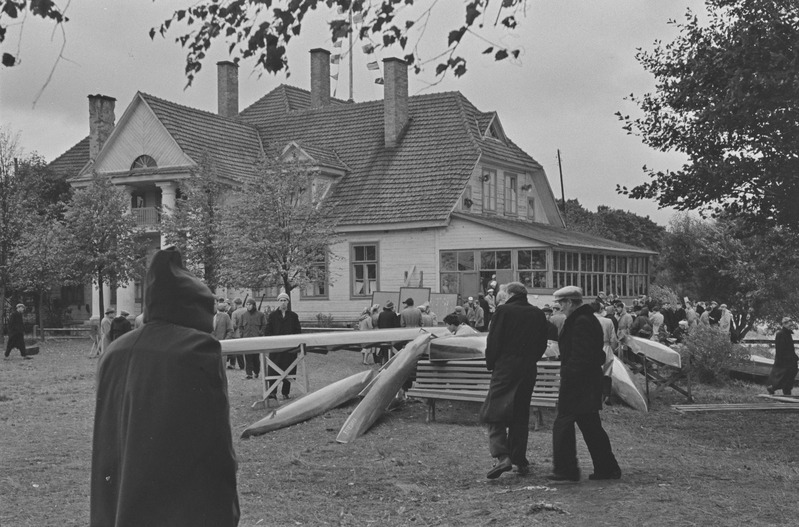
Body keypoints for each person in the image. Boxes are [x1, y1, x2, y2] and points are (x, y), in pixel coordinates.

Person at [90, 247, 239, 526]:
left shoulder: (113, 353)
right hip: (179, 508)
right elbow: (216, 447)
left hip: (118, 506)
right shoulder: (197, 349)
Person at [547, 286, 621, 483]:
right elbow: (594, 354)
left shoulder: (580, 322)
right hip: (587, 382)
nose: (559, 307)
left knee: (564, 423)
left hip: (577, 383)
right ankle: (607, 468)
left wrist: (567, 372)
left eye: (562, 302)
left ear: (571, 302)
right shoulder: (586, 320)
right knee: (590, 426)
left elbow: (582, 355)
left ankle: (566, 469)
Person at [479, 282, 548, 479]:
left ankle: (502, 456)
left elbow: (494, 341)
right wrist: (530, 360)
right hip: (528, 370)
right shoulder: (537, 313)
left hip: (505, 368)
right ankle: (519, 459)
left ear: (509, 294)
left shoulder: (503, 311)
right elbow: (542, 343)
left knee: (493, 411)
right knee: (520, 413)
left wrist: (492, 363)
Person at [265, 292, 302, 399]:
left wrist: (294, 344)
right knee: (273, 370)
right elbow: (268, 331)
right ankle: (272, 392)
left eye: (285, 300)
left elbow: (297, 331)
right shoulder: (272, 316)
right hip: (276, 349)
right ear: (278, 302)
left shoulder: (293, 316)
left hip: (289, 349)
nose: (283, 302)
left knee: (288, 369)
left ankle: (285, 392)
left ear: (288, 302)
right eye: (281, 300)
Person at [767, 317, 798, 396]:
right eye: (789, 324)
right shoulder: (780, 334)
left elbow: (790, 348)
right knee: (783, 376)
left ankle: (787, 391)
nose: (790, 326)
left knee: (792, 373)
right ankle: (773, 388)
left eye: (791, 325)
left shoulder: (788, 334)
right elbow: (780, 350)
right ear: (784, 324)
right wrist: (786, 359)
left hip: (790, 359)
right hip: (784, 360)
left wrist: (795, 357)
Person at [240, 298, 266, 379]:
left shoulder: (260, 315)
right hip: (246, 339)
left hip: (256, 339)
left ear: (254, 305)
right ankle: (249, 374)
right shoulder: (244, 315)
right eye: (247, 304)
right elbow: (240, 326)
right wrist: (243, 334)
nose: (248, 306)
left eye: (250, 304)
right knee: (247, 357)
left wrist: (260, 333)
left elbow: (264, 325)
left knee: (255, 357)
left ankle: (256, 371)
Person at [228, 297, 247, 370]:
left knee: (239, 351)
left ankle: (241, 366)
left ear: (235, 304)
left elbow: (234, 325)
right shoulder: (246, 310)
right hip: (247, 332)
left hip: (238, 333)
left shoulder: (234, 313)